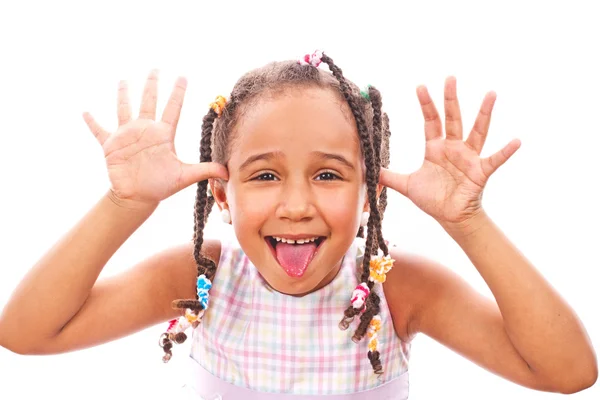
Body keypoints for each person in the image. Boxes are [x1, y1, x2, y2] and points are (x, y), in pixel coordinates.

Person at [0, 51, 596, 399]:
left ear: (369, 195)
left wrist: (468, 223)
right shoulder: (202, 280)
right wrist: (122, 206)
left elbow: (568, 372)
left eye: (330, 175)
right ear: (222, 192)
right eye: (263, 176)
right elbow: (27, 333)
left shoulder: (399, 292)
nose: (295, 204)